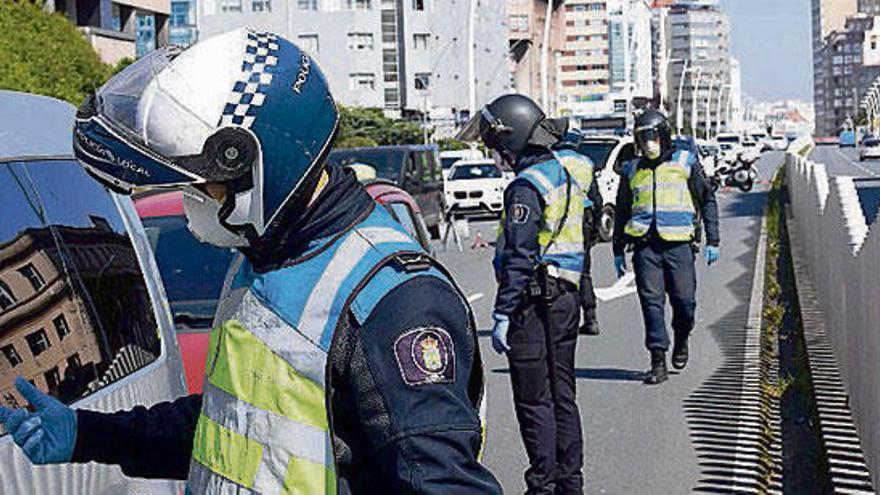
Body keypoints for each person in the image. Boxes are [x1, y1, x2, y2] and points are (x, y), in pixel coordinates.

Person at [0, 29, 501, 494]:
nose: (190, 198)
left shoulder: (393, 299)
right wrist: (89, 434)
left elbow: (440, 483)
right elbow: (232, 425)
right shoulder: (265, 257)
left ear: (257, 168)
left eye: (201, 183)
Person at [458, 94, 590, 494]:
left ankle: (542, 486)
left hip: (533, 304)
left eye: (496, 145)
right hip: (565, 297)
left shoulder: (526, 188)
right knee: (563, 396)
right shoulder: (561, 173)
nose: (495, 154)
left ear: (511, 138)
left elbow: (519, 254)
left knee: (534, 401)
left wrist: (502, 313)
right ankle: (570, 483)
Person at [612, 109, 720, 385]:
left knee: (685, 303)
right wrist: (616, 249)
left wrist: (713, 240)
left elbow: (707, 199)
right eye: (642, 138)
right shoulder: (633, 169)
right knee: (651, 304)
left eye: (652, 137)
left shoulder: (685, 162)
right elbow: (623, 209)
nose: (648, 143)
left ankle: (682, 338)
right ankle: (657, 360)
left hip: (679, 246)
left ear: (663, 136)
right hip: (645, 247)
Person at [554, 130, 604, 336]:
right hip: (583, 219)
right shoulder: (585, 162)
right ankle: (590, 318)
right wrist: (596, 226)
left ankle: (566, 320)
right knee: (583, 271)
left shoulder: (550, 161)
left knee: (556, 271)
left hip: (556, 218)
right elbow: (596, 198)